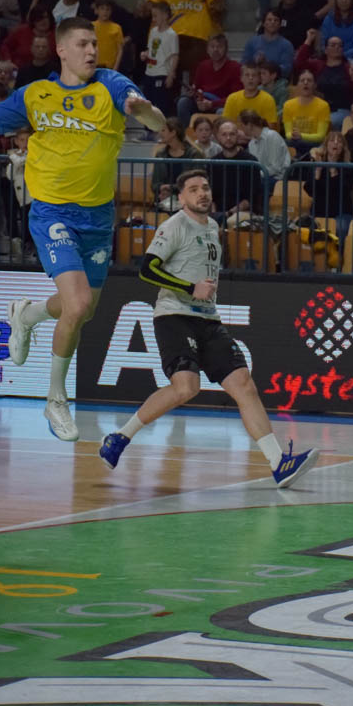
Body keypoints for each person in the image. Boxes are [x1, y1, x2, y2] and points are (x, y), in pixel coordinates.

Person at [0, 16, 166, 441]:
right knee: (78, 303)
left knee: (84, 310)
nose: (92, 51)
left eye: (95, 44)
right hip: (52, 213)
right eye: (83, 44)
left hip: (98, 217)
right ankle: (55, 399)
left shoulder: (111, 84)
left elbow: (158, 122)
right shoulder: (36, 95)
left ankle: (28, 314)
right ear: (62, 50)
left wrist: (145, 111)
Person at [99, 168, 321, 485]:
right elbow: (147, 269)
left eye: (205, 187)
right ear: (181, 198)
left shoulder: (214, 226)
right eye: (193, 189)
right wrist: (190, 288)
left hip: (208, 319)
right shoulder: (174, 226)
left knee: (244, 384)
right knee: (186, 388)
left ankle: (278, 463)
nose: (202, 193)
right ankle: (120, 437)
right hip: (175, 315)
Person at [178, 33, 242, 126]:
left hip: (221, 105)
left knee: (221, 111)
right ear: (207, 49)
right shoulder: (202, 66)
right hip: (203, 102)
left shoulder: (235, 67)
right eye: (212, 46)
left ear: (226, 49)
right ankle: (187, 133)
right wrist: (197, 99)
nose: (215, 50)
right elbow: (197, 89)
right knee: (183, 103)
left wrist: (212, 104)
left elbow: (236, 97)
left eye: (219, 47)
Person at [142, 1, 179, 116]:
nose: (153, 19)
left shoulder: (172, 35)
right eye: (152, 16)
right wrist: (145, 54)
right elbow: (150, 49)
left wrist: (171, 74)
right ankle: (148, 126)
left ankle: (162, 125)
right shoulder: (153, 31)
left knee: (161, 104)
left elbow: (175, 55)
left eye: (155, 16)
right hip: (149, 72)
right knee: (148, 102)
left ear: (165, 15)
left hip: (162, 73)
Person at [282, 69, 332, 153]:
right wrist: (296, 136)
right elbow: (288, 134)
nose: (305, 83)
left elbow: (321, 136)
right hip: (294, 142)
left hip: (314, 145)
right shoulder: (288, 105)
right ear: (297, 85)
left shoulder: (323, 106)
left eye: (309, 80)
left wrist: (301, 136)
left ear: (315, 85)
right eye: (302, 80)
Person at [242, 9, 295, 77]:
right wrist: (255, 62)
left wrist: (267, 65)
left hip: (277, 82)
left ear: (279, 24)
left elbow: (286, 69)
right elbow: (243, 65)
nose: (272, 22)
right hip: (254, 80)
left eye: (276, 20)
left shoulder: (286, 45)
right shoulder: (252, 42)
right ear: (263, 23)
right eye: (269, 20)